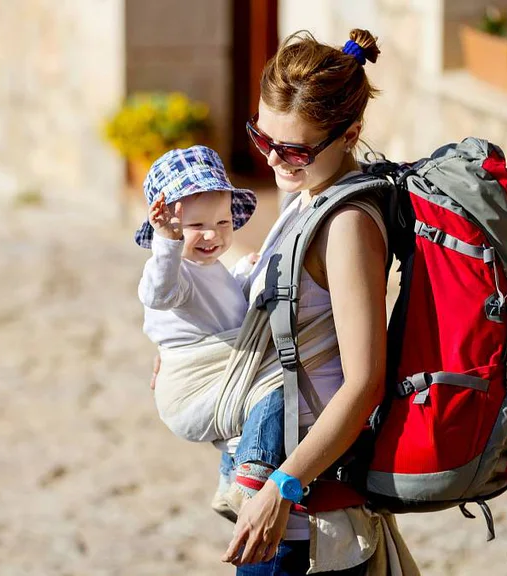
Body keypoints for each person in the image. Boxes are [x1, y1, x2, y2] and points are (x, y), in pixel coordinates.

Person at [153, 29, 420, 575]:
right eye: (263, 139)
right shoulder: (306, 196)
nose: (276, 160)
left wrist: (281, 487)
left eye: (296, 149)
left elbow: (365, 381)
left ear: (351, 135)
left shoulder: (346, 224)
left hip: (305, 525)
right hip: (283, 513)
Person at [135, 145, 288, 521]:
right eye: (195, 226)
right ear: (168, 228)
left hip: (219, 374)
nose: (212, 236)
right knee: (275, 388)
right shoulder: (174, 273)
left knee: (248, 388)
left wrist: (244, 276)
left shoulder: (210, 268)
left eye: (223, 224)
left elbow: (227, 310)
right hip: (193, 384)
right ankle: (250, 475)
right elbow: (161, 294)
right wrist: (167, 244)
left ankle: (226, 481)